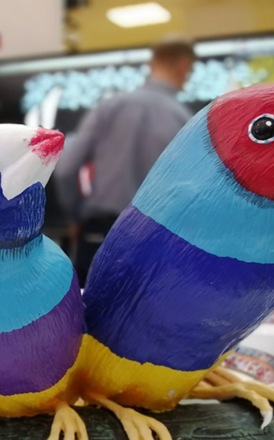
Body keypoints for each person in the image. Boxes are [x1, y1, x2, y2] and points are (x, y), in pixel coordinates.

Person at [54, 36, 195, 284]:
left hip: (101, 233)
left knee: (89, 307)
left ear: (152, 64)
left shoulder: (109, 107)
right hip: (159, 239)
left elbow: (65, 169)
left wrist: (76, 218)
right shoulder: (185, 119)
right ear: (183, 66)